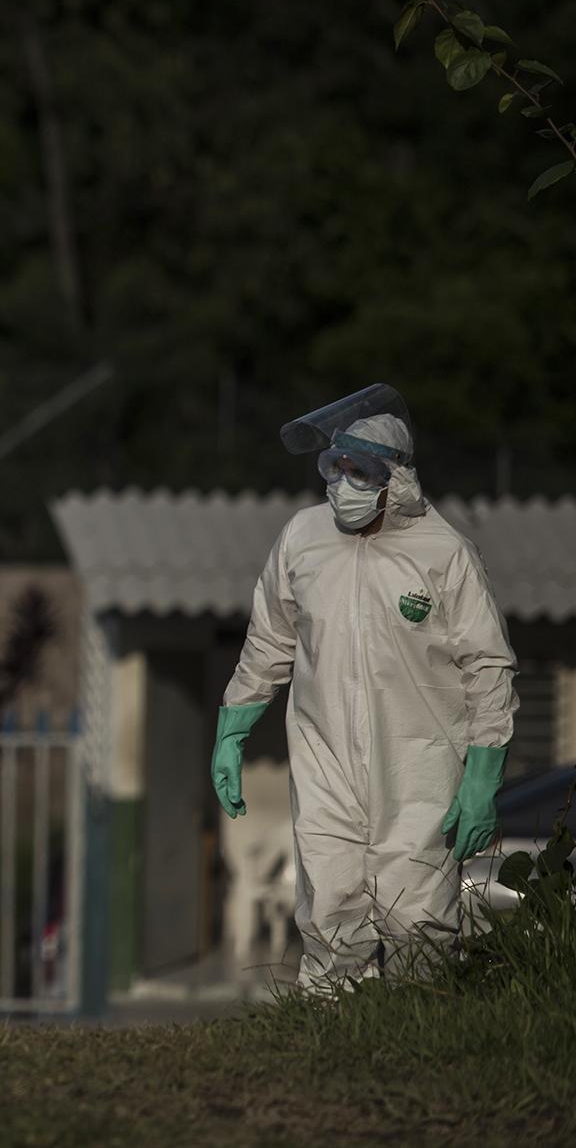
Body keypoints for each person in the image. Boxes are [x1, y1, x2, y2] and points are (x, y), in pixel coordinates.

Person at [215, 393, 516, 983]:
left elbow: (488, 666)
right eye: (334, 468)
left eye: (359, 471)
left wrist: (482, 775)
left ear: (396, 479)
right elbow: (270, 638)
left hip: (419, 765)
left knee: (417, 918)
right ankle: (330, 1030)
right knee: (327, 902)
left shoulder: (444, 554)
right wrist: (233, 725)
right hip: (323, 753)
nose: (341, 483)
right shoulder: (303, 538)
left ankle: (417, 1033)